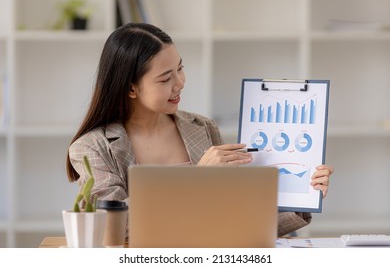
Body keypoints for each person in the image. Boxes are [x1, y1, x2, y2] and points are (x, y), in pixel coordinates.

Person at [66, 22, 334, 237]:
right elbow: (115, 225)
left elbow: (236, 219)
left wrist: (301, 194)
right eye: (165, 78)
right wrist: (197, 178)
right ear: (131, 88)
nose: (180, 83)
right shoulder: (91, 147)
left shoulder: (203, 128)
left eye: (180, 69)